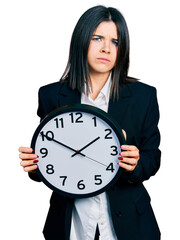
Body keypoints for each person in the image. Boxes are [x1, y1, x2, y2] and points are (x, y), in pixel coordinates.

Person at [19, 5, 161, 240]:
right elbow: (51, 161)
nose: (106, 48)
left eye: (115, 42)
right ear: (81, 40)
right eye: (97, 38)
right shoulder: (51, 95)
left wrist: (135, 162)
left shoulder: (143, 96)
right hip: (72, 224)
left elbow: (152, 158)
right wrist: (35, 166)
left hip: (128, 225)